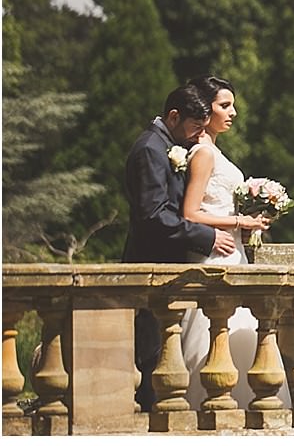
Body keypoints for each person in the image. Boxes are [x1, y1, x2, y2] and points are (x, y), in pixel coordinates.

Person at [122, 82, 236, 411]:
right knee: (151, 353)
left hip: (170, 262)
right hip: (151, 262)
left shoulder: (166, 145)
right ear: (174, 116)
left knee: (164, 350)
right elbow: (154, 216)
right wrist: (207, 237)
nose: (196, 136)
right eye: (194, 127)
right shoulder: (150, 149)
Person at [176, 75, 286, 410]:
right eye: (225, 105)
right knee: (217, 333)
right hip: (215, 256)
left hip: (233, 252)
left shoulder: (215, 152)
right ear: (206, 111)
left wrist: (255, 214)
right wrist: (241, 221)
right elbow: (190, 213)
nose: (233, 112)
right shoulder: (203, 155)